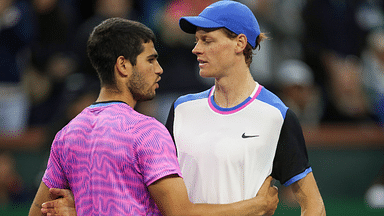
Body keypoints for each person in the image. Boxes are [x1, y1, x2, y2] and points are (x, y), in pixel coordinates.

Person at [28, 17, 278, 216]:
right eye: (150, 60)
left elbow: (39, 212)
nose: (159, 70)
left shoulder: (67, 134)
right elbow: (181, 213)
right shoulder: (146, 131)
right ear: (123, 65)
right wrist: (257, 206)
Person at [164, 0, 325, 215]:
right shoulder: (181, 109)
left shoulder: (276, 116)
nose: (196, 49)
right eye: (196, 41)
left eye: (207, 40)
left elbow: (313, 205)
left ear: (240, 43)